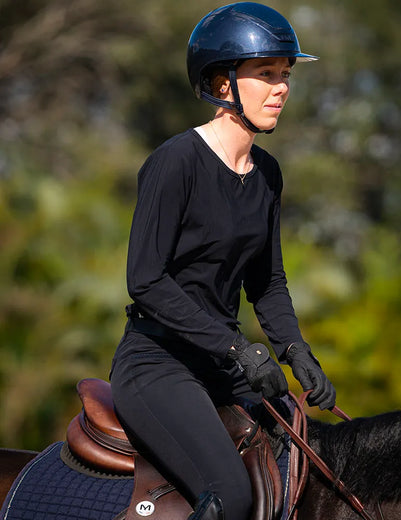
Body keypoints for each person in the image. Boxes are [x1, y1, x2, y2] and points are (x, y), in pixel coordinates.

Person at [110, 3, 336, 520]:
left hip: (222, 365)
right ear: (222, 83)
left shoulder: (268, 174)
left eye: (285, 75)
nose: (281, 88)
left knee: (308, 468)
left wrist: (295, 351)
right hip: (158, 365)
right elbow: (145, 280)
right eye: (266, 74)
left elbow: (268, 281)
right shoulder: (175, 162)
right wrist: (238, 347)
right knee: (231, 496)